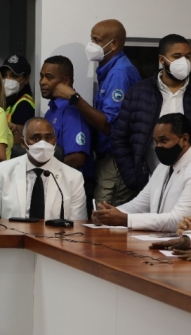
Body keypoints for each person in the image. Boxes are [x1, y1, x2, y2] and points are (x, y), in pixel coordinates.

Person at [53, 20, 141, 206]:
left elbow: (109, 126)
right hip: (106, 158)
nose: (91, 45)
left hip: (116, 160)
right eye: (91, 39)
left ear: (114, 44)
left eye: (97, 40)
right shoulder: (108, 70)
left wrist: (74, 98)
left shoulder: (119, 74)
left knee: (105, 213)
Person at [111, 34, 191, 196]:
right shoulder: (139, 93)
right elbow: (120, 138)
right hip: (149, 183)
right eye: (177, 57)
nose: (183, 62)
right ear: (162, 59)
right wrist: (133, 178)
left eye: (187, 57)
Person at [95, 114, 191, 232]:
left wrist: (125, 219)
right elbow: (138, 206)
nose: (158, 147)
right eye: (156, 142)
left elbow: (178, 220)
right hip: (159, 239)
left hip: (186, 241)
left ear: (184, 139)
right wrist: (106, 214)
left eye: (164, 140)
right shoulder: (163, 167)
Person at [0, 118, 86, 220]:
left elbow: (78, 226)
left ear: (55, 141)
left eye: (48, 138)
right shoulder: (3, 171)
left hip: (56, 234)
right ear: (23, 143)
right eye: (36, 138)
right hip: (12, 233)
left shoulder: (74, 178)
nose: (43, 144)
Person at [39, 56, 94, 193]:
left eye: (49, 77)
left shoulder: (72, 111)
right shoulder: (51, 111)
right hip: (55, 186)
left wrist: (47, 173)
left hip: (71, 189)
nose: (42, 82)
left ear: (66, 82)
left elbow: (76, 159)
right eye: (41, 76)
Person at [0, 54, 35, 147]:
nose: (7, 80)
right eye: (4, 75)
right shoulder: (9, 101)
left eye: (14, 76)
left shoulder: (24, 105)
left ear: (26, 79)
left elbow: (17, 145)